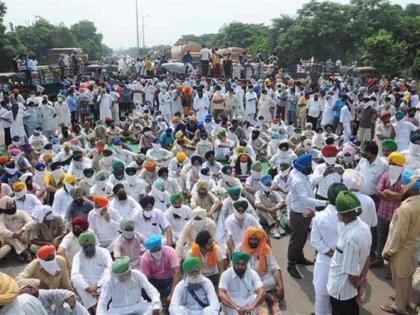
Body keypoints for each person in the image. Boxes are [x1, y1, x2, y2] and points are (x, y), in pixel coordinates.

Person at [381, 170, 420, 315]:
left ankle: (399, 307)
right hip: (414, 246)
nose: (402, 186)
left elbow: (399, 234)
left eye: (404, 184)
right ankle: (404, 298)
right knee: (407, 276)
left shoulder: (406, 208)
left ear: (411, 187)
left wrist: (389, 251)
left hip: (402, 248)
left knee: (400, 276)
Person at [327, 191, 371, 315]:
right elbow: (367, 257)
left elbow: (351, 274)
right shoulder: (364, 227)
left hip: (342, 292)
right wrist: (361, 283)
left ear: (341, 215)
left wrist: (359, 286)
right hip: (350, 291)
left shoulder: (350, 239)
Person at [287, 153, 327, 278]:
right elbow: (305, 199)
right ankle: (291, 264)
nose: (311, 167)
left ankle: (299, 257)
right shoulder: (298, 180)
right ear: (303, 167)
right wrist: (324, 202)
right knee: (296, 240)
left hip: (303, 212)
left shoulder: (301, 174)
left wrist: (323, 175)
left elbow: (311, 181)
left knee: (302, 237)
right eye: (309, 165)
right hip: (300, 214)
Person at [310, 183, 347, 315]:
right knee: (341, 299)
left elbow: (315, 241)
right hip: (345, 262)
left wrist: (331, 253)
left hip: (325, 261)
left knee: (322, 298)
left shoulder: (319, 217)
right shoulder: (351, 217)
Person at [237, 226, 284, 313]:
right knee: (241, 285)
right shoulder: (240, 248)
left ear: (260, 239)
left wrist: (281, 286)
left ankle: (257, 293)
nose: (253, 241)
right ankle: (266, 295)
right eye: (251, 239)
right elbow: (234, 267)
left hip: (263, 277)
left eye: (256, 239)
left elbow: (274, 267)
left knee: (274, 281)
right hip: (247, 278)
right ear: (247, 238)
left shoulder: (265, 247)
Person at [372, 151, 406, 268]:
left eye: (395, 164)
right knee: (381, 237)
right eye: (391, 163)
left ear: (401, 166)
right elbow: (378, 191)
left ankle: (391, 267)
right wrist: (395, 196)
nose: (393, 166)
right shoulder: (386, 175)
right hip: (382, 213)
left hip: (397, 215)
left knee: (394, 241)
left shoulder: (405, 177)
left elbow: (403, 196)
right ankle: (379, 260)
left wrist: (387, 192)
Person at [71, 231, 112, 311]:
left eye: (90, 245)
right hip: (87, 285)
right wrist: (87, 288)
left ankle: (101, 304)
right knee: (77, 283)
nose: (89, 247)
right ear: (82, 246)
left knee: (109, 274)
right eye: (86, 246)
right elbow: (74, 275)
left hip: (101, 282)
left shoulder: (104, 252)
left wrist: (98, 284)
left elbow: (110, 268)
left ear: (94, 243)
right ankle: (93, 306)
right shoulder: (78, 256)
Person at [140, 234, 180, 302]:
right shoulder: (144, 258)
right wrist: (153, 294)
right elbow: (145, 279)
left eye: (158, 249)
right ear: (150, 250)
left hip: (169, 281)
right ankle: (158, 300)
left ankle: (164, 298)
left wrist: (172, 294)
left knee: (179, 287)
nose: (157, 252)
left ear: (161, 246)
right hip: (154, 282)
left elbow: (177, 271)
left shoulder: (170, 251)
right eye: (154, 250)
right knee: (143, 290)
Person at [0, 195, 34, 261]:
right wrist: (14, 235)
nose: (12, 205)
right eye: (9, 204)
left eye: (12, 203)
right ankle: (25, 253)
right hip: (12, 238)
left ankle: (21, 252)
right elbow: (1, 230)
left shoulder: (21, 212)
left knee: (31, 227)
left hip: (24, 235)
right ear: (4, 206)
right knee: (8, 236)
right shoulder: (2, 217)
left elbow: (31, 221)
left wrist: (21, 231)